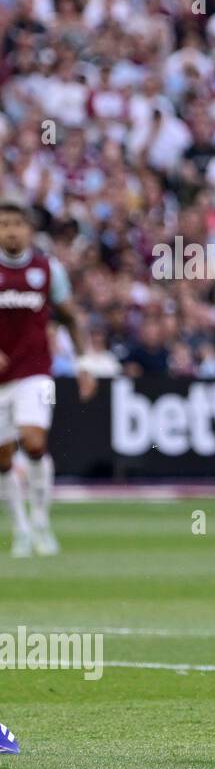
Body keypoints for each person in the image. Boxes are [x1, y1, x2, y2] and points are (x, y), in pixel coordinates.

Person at [0, 198, 96, 557]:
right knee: (3, 458)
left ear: (28, 229)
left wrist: (84, 362)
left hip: (35, 373)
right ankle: (20, 528)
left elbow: (70, 317)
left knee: (34, 441)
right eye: (4, 224)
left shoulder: (47, 269)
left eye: (17, 223)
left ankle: (41, 521)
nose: (11, 230)